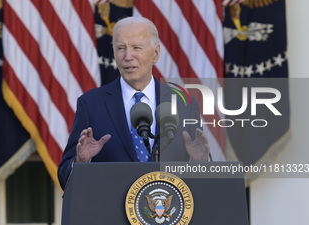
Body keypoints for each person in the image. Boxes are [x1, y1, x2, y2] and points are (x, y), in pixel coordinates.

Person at [58, 17, 210, 190]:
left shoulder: (184, 105)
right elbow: (65, 178)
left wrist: (202, 163)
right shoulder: (91, 104)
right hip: (110, 214)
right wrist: (81, 162)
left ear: (156, 53)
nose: (128, 57)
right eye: (121, 48)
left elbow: (202, 181)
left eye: (136, 48)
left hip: (168, 211)